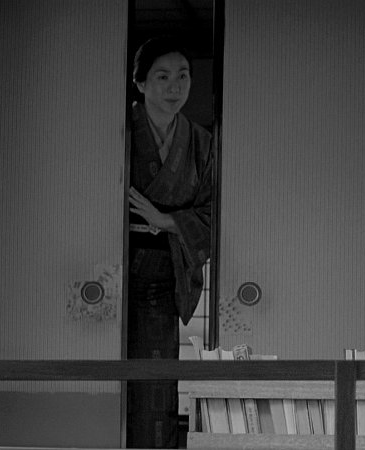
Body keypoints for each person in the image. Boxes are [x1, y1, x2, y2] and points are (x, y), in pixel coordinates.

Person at [126, 36, 212, 448]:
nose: (174, 86)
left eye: (183, 76)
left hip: (164, 274)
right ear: (141, 83)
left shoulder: (201, 142)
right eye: (162, 77)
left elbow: (215, 214)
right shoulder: (119, 131)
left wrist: (166, 220)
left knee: (155, 378)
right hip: (112, 269)